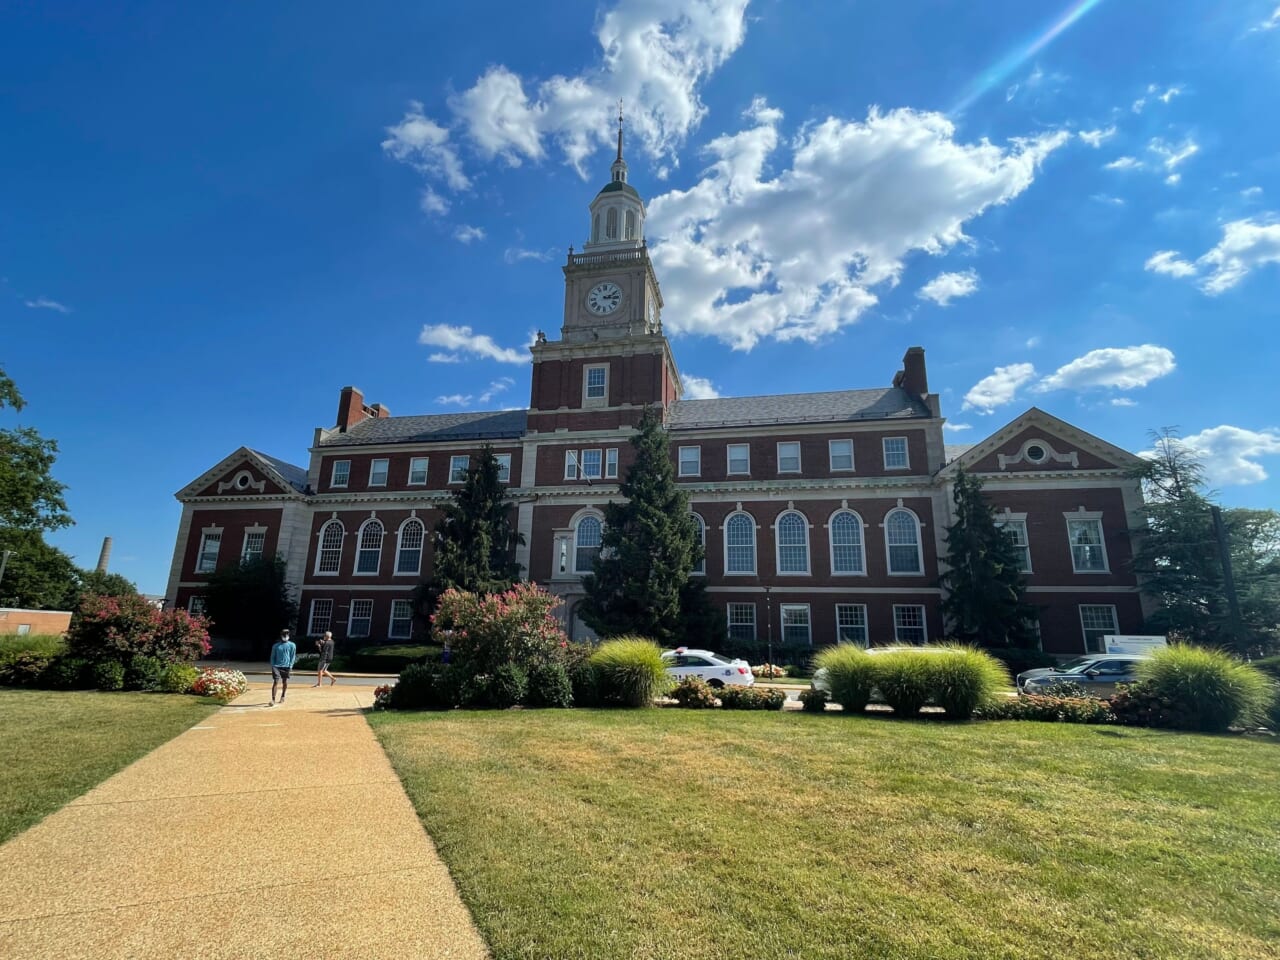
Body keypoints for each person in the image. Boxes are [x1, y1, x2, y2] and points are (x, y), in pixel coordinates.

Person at [268, 629, 297, 706]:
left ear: (289, 635)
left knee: (284, 681)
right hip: (276, 666)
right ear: (281, 636)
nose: (285, 636)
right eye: (284, 635)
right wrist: (273, 665)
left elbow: (292, 656)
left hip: (286, 666)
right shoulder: (276, 646)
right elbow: (272, 656)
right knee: (276, 681)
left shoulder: (292, 645)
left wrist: (291, 665)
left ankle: (283, 695)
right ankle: (273, 699)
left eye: (287, 635)